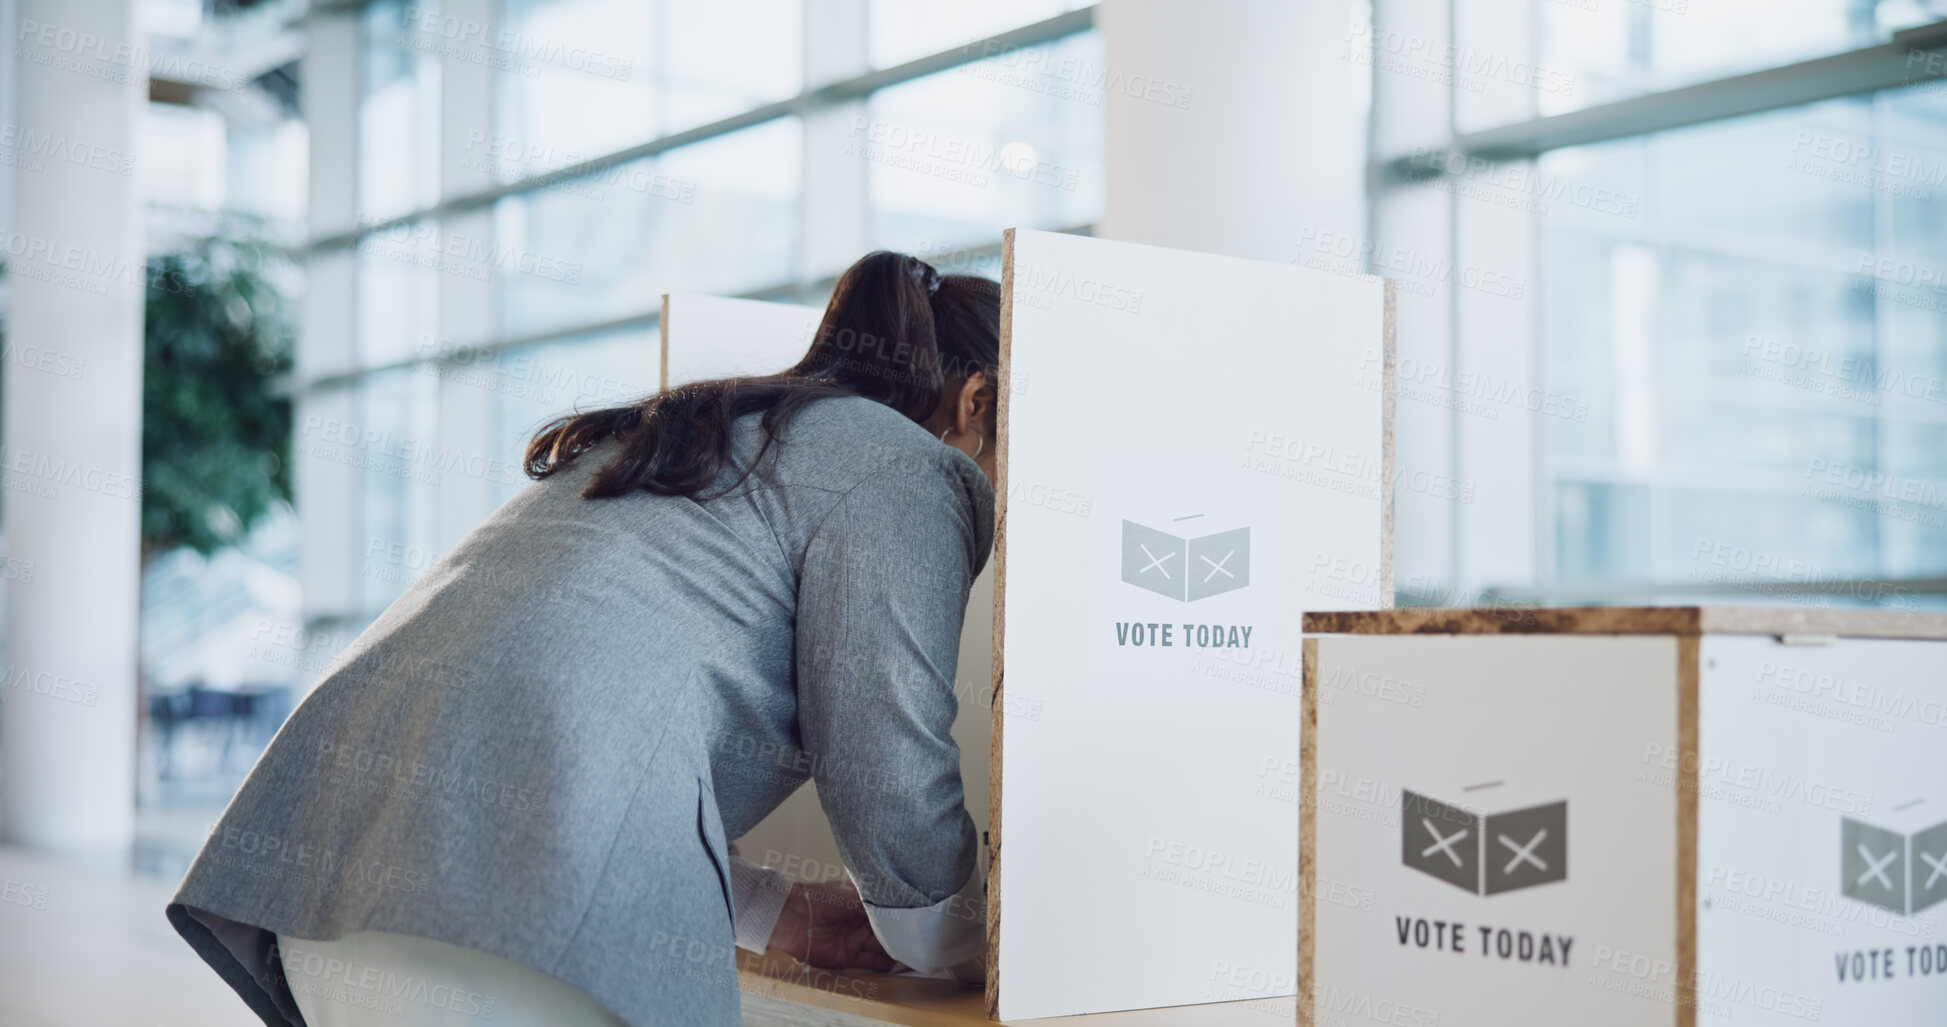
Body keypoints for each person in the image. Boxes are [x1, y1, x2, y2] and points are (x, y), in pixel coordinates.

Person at [167, 251, 999, 1026]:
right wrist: (974, 938)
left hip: (330, 893)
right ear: (978, 400)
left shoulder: (701, 424)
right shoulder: (909, 468)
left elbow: (586, 689)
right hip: (504, 931)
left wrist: (770, 910)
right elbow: (884, 751)